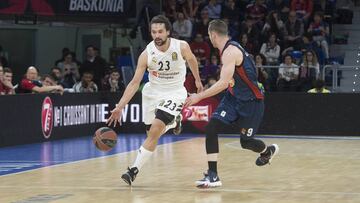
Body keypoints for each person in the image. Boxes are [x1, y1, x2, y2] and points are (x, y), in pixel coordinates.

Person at [106, 15, 203, 186]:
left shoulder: (181, 47)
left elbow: (192, 60)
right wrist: (120, 106)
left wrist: (197, 80)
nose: (157, 35)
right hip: (152, 93)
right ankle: (174, 122)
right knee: (150, 133)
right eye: (153, 32)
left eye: (160, 32)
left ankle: (133, 170)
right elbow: (135, 83)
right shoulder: (146, 54)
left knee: (155, 130)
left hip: (174, 92)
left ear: (168, 32)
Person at [185, 19, 279, 188]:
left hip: (251, 102)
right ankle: (213, 174)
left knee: (246, 142)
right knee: (211, 127)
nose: (209, 38)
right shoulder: (229, 48)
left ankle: (267, 151)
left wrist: (198, 97)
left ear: (213, 35)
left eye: (209, 35)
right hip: (233, 97)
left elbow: (222, 83)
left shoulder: (230, 51)